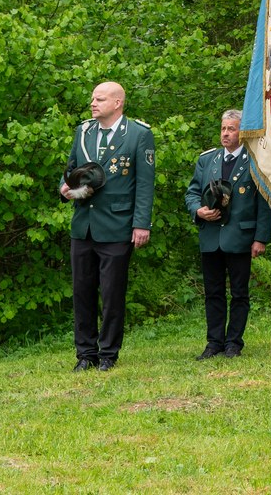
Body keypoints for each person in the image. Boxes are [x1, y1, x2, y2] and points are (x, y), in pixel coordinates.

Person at [59, 81, 155, 372]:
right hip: (84, 225)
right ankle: (85, 354)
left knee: (112, 294)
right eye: (92, 98)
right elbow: (70, 168)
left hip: (117, 225)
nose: (93, 103)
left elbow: (145, 183)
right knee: (82, 291)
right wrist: (64, 187)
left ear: (117, 103)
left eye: (99, 99)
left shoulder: (138, 134)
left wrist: (141, 223)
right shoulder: (84, 131)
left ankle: (108, 354)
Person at [185, 109, 267, 359]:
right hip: (211, 236)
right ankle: (214, 343)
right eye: (223, 128)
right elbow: (192, 193)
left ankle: (234, 343)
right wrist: (198, 211)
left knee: (240, 293)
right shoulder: (207, 160)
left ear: (242, 131)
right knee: (213, 292)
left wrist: (260, 237)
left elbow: (265, 201)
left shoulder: (254, 161)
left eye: (231, 129)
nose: (226, 133)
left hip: (240, 237)